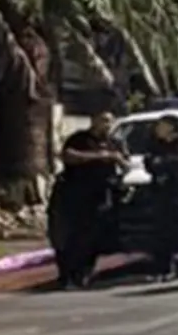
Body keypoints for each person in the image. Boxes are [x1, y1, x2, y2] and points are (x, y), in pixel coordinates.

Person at [51, 111, 126, 289]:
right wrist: (100, 156)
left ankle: (84, 273)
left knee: (93, 238)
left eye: (109, 122)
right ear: (93, 121)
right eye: (103, 121)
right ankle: (67, 275)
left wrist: (119, 160)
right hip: (74, 195)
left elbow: (126, 163)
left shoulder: (115, 143)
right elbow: (69, 155)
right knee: (71, 238)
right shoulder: (80, 139)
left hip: (101, 195)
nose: (106, 125)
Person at [143, 115, 178, 280]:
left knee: (176, 228)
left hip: (177, 191)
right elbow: (149, 163)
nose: (158, 129)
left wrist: (163, 163)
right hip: (159, 192)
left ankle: (174, 264)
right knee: (159, 231)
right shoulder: (154, 146)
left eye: (162, 126)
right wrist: (160, 163)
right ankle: (160, 267)